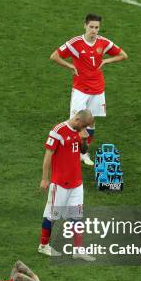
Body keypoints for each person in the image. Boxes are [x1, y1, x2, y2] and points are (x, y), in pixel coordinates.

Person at [50, 13, 128, 166]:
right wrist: (69, 65)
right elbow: (54, 56)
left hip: (98, 89)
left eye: (96, 27)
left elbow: (123, 55)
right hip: (80, 90)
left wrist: (106, 61)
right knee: (76, 122)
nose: (94, 30)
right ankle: (69, 151)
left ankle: (84, 153)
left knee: (91, 122)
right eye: (91, 27)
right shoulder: (75, 43)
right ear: (84, 25)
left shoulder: (103, 43)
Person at [38, 110, 95, 261]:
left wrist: (84, 140)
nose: (83, 129)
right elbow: (48, 155)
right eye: (82, 126)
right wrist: (45, 179)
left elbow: (83, 151)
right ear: (77, 120)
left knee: (77, 216)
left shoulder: (80, 131)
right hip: (60, 183)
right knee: (52, 215)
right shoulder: (58, 131)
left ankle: (78, 250)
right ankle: (43, 246)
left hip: (77, 183)